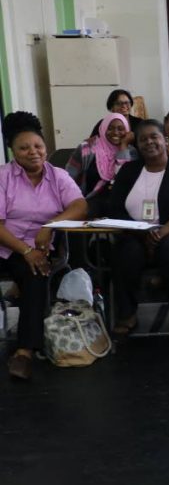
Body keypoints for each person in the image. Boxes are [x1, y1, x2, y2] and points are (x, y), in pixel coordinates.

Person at [0, 112, 88, 380]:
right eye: (24, 148)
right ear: (13, 152)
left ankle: (25, 352)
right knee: (31, 268)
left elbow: (80, 205)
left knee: (36, 274)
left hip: (39, 249)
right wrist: (25, 251)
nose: (32, 152)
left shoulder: (58, 176)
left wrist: (49, 226)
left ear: (46, 148)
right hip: (7, 246)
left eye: (37, 146)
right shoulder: (3, 177)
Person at [107, 120, 169, 348]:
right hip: (134, 234)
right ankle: (128, 314)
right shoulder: (129, 171)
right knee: (125, 251)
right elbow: (115, 207)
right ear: (137, 146)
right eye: (143, 139)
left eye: (154, 137)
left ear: (165, 140)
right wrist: (141, 233)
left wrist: (164, 230)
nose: (149, 142)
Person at [64, 112, 137, 212]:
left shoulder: (131, 152)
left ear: (127, 131)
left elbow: (124, 178)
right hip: (87, 204)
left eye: (120, 129)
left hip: (120, 206)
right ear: (103, 128)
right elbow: (67, 180)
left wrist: (123, 147)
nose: (115, 132)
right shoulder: (86, 149)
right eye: (110, 128)